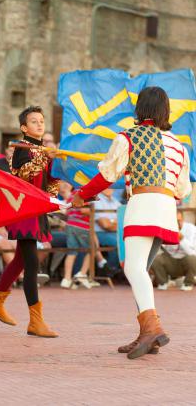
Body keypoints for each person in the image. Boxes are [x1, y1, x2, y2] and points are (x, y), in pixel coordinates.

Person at [72, 86, 191, 359]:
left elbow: (106, 175)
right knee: (141, 271)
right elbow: (183, 190)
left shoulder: (128, 137)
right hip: (166, 210)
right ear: (165, 110)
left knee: (133, 268)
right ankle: (147, 334)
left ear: (140, 109)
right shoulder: (179, 146)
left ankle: (152, 328)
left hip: (141, 207)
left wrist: (81, 195)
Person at [0, 106, 59, 337]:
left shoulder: (42, 149)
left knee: (19, 260)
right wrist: (45, 157)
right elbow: (22, 174)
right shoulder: (21, 148)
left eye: (41, 121)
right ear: (24, 128)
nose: (39, 124)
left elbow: (48, 185)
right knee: (32, 264)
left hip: (37, 210)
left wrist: (55, 170)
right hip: (24, 210)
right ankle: (35, 321)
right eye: (33, 121)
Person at [151, 211, 196, 291]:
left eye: (179, 220)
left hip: (186, 260)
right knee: (155, 259)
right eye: (174, 221)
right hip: (171, 260)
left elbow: (192, 252)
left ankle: (188, 283)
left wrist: (181, 239)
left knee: (192, 259)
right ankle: (164, 282)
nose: (177, 223)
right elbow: (164, 249)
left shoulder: (191, 229)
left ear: (183, 220)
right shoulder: (166, 229)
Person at [94, 189, 121, 275]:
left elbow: (123, 221)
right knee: (119, 242)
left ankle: (116, 271)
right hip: (98, 234)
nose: (109, 188)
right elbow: (105, 225)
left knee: (128, 241)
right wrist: (115, 222)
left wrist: (111, 222)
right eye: (107, 185)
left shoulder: (116, 201)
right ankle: (108, 271)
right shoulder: (96, 200)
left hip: (113, 233)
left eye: (112, 185)